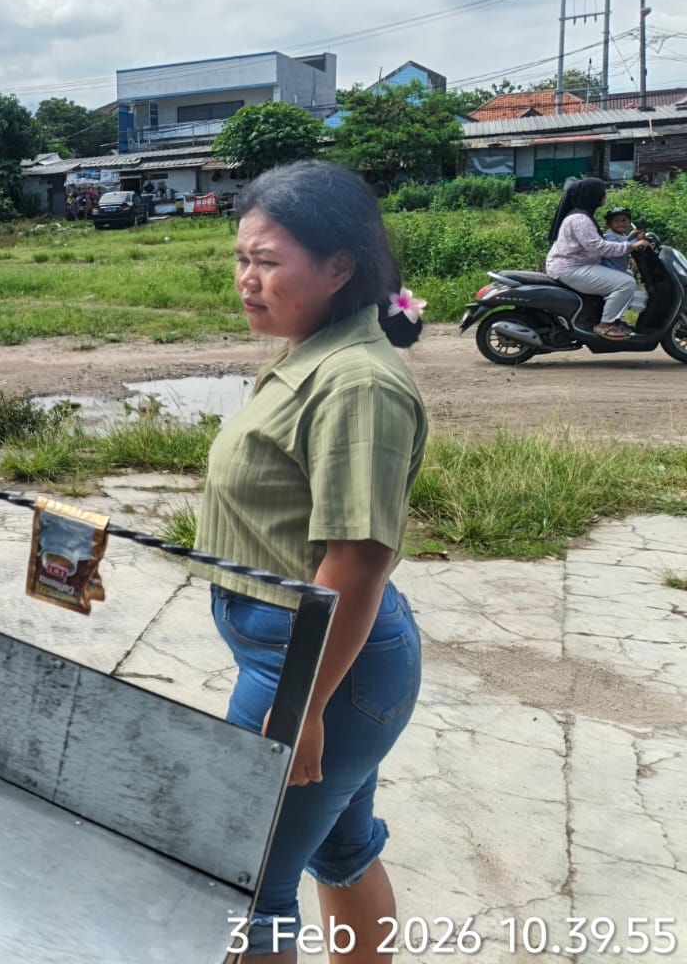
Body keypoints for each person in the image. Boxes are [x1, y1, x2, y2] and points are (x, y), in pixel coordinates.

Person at [197, 162, 427, 962]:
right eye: (241, 259)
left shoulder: (357, 383)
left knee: (243, 882)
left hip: (317, 669)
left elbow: (356, 563)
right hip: (314, 662)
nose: (246, 279)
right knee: (341, 849)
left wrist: (301, 709)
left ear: (338, 267)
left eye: (267, 261)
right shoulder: (316, 353)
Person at [544, 179, 648, 340]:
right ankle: (605, 325)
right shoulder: (580, 219)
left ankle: (613, 318)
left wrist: (628, 240)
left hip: (576, 265)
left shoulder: (581, 215)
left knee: (626, 275)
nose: (604, 196)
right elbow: (598, 247)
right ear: (591, 195)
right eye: (602, 193)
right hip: (570, 267)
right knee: (626, 283)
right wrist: (630, 246)